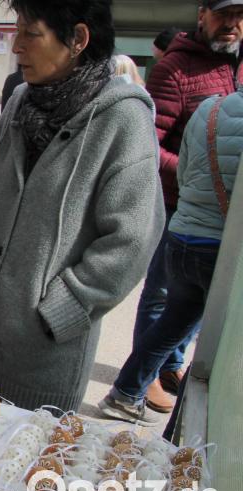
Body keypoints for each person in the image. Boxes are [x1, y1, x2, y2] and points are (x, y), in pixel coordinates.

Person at [0, 0, 164, 413]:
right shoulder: (20, 103)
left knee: (24, 470)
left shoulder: (123, 120)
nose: (17, 47)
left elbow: (133, 239)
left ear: (78, 39)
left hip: (44, 357)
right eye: (17, 32)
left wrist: (65, 307)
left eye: (31, 33)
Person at [128, 0, 243, 413]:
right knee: (162, 294)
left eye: (239, 16)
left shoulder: (237, 66)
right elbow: (148, 146)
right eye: (223, 14)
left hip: (229, 219)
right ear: (202, 14)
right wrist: (196, 180)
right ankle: (147, 380)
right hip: (179, 206)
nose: (231, 24)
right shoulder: (174, 69)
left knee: (199, 308)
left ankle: (172, 365)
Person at [101, 90, 236, 426]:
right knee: (220, 347)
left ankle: (126, 393)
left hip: (183, 233)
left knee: (173, 322)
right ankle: (195, 429)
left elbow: (185, 170)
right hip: (222, 247)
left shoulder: (211, 108)